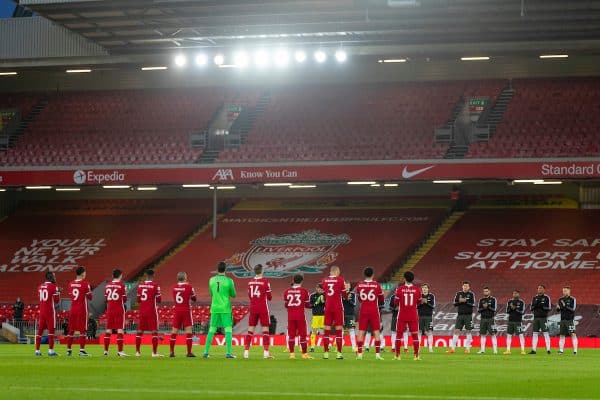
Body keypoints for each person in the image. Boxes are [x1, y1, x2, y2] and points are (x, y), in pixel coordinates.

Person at [204, 261, 237, 358]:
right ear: (225, 269)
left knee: (212, 329)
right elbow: (234, 295)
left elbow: (212, 294)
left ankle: (205, 352)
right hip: (225, 308)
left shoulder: (211, 280)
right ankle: (228, 353)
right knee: (228, 329)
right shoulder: (229, 281)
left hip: (214, 308)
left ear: (217, 270)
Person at [244, 264, 273, 359]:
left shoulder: (250, 282)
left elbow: (249, 295)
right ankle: (265, 352)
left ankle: (246, 352)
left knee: (250, 329)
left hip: (253, 307)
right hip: (262, 307)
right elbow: (270, 297)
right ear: (261, 271)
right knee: (265, 330)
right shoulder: (265, 281)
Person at [355, 267, 385, 360]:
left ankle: (360, 354)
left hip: (363, 310)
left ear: (364, 274)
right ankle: (377, 355)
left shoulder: (359, 285)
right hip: (374, 311)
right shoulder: (377, 285)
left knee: (361, 332)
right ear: (373, 274)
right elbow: (381, 300)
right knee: (376, 332)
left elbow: (359, 299)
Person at [283, 274, 313, 359]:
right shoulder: (304, 291)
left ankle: (292, 354)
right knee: (302, 335)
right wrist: (313, 306)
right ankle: (304, 354)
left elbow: (286, 304)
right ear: (302, 281)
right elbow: (307, 305)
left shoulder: (287, 291)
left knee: (291, 335)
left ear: (293, 280)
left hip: (291, 316)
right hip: (300, 316)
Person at [394, 271, 422, 361]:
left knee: (398, 335)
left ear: (405, 278)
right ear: (413, 279)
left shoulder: (400, 289)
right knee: (415, 336)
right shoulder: (417, 289)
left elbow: (395, 302)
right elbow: (419, 302)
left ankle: (397, 356)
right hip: (413, 315)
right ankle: (416, 356)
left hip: (402, 315)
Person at [321, 265, 348, 359]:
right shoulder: (340, 280)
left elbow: (324, 294)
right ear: (336, 271)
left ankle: (325, 354)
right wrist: (346, 296)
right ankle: (339, 354)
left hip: (328, 307)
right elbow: (344, 295)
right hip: (338, 307)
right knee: (339, 331)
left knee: (326, 330)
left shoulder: (324, 280)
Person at [66, 266, 93, 356]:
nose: (85, 274)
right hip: (82, 309)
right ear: (82, 273)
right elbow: (90, 297)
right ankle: (81, 350)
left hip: (73, 309)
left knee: (71, 330)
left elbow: (71, 296)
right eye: (85, 272)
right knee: (82, 330)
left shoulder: (70, 284)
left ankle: (69, 350)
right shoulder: (85, 284)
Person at [136, 269, 163, 357]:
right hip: (151, 311)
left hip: (142, 310)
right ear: (153, 275)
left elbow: (138, 300)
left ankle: (137, 352)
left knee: (140, 331)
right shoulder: (155, 286)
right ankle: (154, 353)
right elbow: (159, 300)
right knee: (154, 331)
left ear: (146, 275)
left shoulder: (140, 286)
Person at [170, 271, 197, 357]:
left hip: (177, 310)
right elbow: (194, 298)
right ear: (185, 278)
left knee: (174, 331)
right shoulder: (189, 287)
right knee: (188, 331)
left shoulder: (174, 287)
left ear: (178, 278)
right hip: (186, 310)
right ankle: (189, 352)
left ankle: (171, 352)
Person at [103, 269, 128, 357]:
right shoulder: (121, 285)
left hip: (110, 309)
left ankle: (106, 351)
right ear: (120, 275)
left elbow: (106, 299)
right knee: (120, 329)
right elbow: (124, 300)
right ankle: (120, 351)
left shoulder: (107, 285)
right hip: (118, 309)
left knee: (108, 329)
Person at [35, 272, 60, 356]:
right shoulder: (53, 287)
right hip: (50, 312)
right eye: (54, 276)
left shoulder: (39, 286)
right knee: (51, 332)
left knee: (39, 332)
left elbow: (40, 297)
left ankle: (37, 351)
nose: (55, 278)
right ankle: (51, 351)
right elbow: (57, 300)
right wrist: (58, 292)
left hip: (41, 311)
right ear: (51, 277)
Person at [448, 281, 475, 354]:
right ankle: (452, 348)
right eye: (464, 286)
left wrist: (465, 301)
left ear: (469, 287)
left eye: (467, 286)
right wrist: (460, 302)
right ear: (462, 286)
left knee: (468, 331)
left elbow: (473, 304)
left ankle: (467, 348)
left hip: (468, 315)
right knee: (456, 331)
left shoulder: (471, 294)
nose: (465, 287)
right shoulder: (458, 294)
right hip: (460, 315)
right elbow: (455, 304)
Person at [530, 284, 552, 354]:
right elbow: (531, 308)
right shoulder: (534, 298)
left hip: (543, 318)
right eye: (539, 288)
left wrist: (542, 306)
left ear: (544, 290)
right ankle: (534, 350)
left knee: (545, 333)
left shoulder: (546, 298)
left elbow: (549, 308)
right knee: (535, 333)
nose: (539, 289)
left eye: (541, 288)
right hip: (536, 318)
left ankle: (548, 349)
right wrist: (536, 305)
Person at [556, 286, 578, 355]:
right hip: (562, 320)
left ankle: (575, 351)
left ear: (569, 291)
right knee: (562, 335)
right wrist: (558, 308)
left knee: (573, 334)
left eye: (565, 291)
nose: (564, 292)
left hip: (570, 320)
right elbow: (559, 310)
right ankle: (561, 350)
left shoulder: (572, 299)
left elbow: (573, 309)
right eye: (563, 291)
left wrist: (565, 305)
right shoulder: (560, 299)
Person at [504, 290, 526, 355]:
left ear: (519, 294)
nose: (515, 294)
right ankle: (508, 350)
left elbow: (522, 312)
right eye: (514, 293)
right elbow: (507, 311)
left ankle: (522, 350)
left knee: (521, 335)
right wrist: (511, 308)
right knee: (509, 335)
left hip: (518, 321)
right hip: (510, 321)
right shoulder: (509, 301)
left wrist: (515, 308)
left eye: (516, 293)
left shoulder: (521, 302)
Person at [477, 287, 498, 354]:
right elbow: (479, 310)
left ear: (489, 292)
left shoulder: (493, 299)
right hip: (483, 319)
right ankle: (482, 350)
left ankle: (495, 350)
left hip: (491, 319)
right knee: (482, 334)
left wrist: (488, 306)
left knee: (493, 334)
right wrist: (484, 307)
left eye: (486, 291)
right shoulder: (481, 300)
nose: (485, 292)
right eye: (484, 291)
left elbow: (494, 309)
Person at [417, 283, 436, 353]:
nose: (424, 289)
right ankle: (418, 348)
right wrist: (421, 303)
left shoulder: (431, 296)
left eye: (426, 288)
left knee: (429, 331)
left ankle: (430, 348)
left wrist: (426, 302)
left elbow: (433, 306)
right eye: (423, 288)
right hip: (420, 316)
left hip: (428, 316)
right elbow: (416, 306)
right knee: (419, 332)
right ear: (421, 289)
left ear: (428, 289)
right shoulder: (419, 296)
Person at [308, 284, 325, 352]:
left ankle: (326, 347)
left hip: (324, 316)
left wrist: (324, 301)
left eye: (321, 289)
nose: (320, 290)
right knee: (314, 331)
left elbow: (328, 304)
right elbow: (309, 305)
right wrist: (316, 303)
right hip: (315, 316)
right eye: (318, 289)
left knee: (325, 332)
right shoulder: (312, 296)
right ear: (316, 288)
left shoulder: (325, 295)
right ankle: (312, 347)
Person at [342, 283, 357, 352]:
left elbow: (354, 304)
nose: (346, 287)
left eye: (347, 286)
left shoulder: (353, 294)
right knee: (341, 331)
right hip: (342, 314)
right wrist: (345, 298)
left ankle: (354, 347)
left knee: (352, 330)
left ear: (350, 286)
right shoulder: (341, 294)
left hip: (350, 315)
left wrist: (348, 299)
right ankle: (339, 347)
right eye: (345, 285)